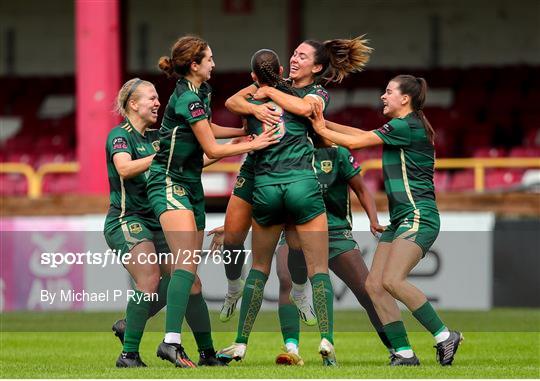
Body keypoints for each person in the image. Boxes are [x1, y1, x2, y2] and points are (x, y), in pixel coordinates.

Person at [217, 40, 371, 366]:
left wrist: (267, 95)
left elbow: (307, 109)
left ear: (317, 67)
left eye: (303, 55)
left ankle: (243, 340)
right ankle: (324, 337)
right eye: (294, 53)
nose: (295, 56)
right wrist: (257, 104)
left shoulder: (315, 93)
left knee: (272, 266)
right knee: (310, 267)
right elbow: (233, 101)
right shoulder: (278, 85)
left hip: (272, 184)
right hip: (281, 180)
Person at [308, 75, 463, 366]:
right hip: (400, 219)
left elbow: (357, 141)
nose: (383, 96)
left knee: (392, 280)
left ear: (405, 99)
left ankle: (444, 335)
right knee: (374, 286)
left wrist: (318, 127)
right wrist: (322, 122)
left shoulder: (406, 126)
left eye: (389, 91)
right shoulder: (403, 127)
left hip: (419, 216)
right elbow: (360, 132)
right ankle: (404, 353)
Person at [146, 36, 279, 368]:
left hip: (190, 184)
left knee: (189, 270)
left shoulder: (199, 94)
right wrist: (254, 143)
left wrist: (241, 133)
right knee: (184, 265)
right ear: (194, 65)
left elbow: (208, 130)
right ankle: (170, 342)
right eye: (209, 58)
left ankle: (204, 352)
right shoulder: (188, 99)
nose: (214, 64)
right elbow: (213, 150)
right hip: (168, 182)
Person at [104, 78, 229, 368]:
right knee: (149, 279)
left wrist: (233, 144)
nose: (158, 102)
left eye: (159, 97)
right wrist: (162, 157)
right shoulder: (120, 136)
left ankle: (207, 354)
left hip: (159, 222)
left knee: (191, 283)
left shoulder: (159, 137)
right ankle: (129, 355)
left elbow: (191, 162)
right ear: (133, 104)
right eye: (151, 98)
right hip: (127, 220)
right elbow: (124, 168)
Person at [274, 135, 392, 366]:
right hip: (295, 230)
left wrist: (374, 220)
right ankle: (291, 350)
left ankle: (397, 348)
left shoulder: (337, 153)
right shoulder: (285, 152)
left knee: (367, 292)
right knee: (286, 280)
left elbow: (361, 189)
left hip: (335, 231)